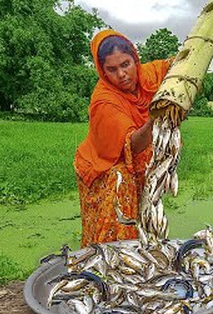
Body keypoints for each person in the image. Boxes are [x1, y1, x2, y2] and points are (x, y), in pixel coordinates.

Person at [74, 29, 173, 248]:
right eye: (112, 69)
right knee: (114, 225)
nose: (121, 74)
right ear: (102, 71)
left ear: (135, 60)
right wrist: (154, 119)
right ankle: (109, 264)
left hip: (137, 168)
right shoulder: (103, 101)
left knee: (145, 218)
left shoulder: (149, 74)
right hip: (105, 170)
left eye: (125, 64)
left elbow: (179, 65)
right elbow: (134, 144)